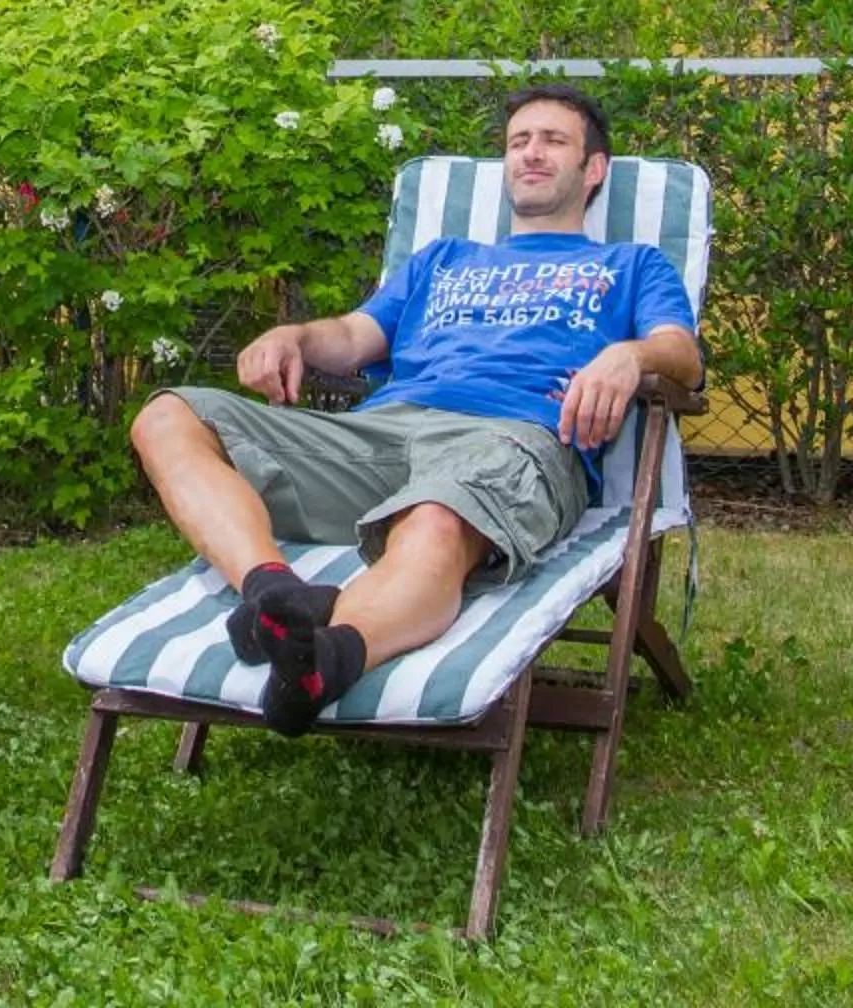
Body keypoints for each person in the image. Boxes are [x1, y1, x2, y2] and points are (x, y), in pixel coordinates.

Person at [127, 85, 700, 734]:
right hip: (381, 434)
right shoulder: (442, 260)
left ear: (592, 168)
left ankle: (327, 659)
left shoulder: (629, 265)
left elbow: (683, 353)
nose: (531, 154)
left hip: (512, 439)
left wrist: (629, 356)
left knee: (436, 520)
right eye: (518, 142)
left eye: (553, 141)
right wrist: (295, 337)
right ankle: (271, 593)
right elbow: (351, 338)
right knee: (168, 415)